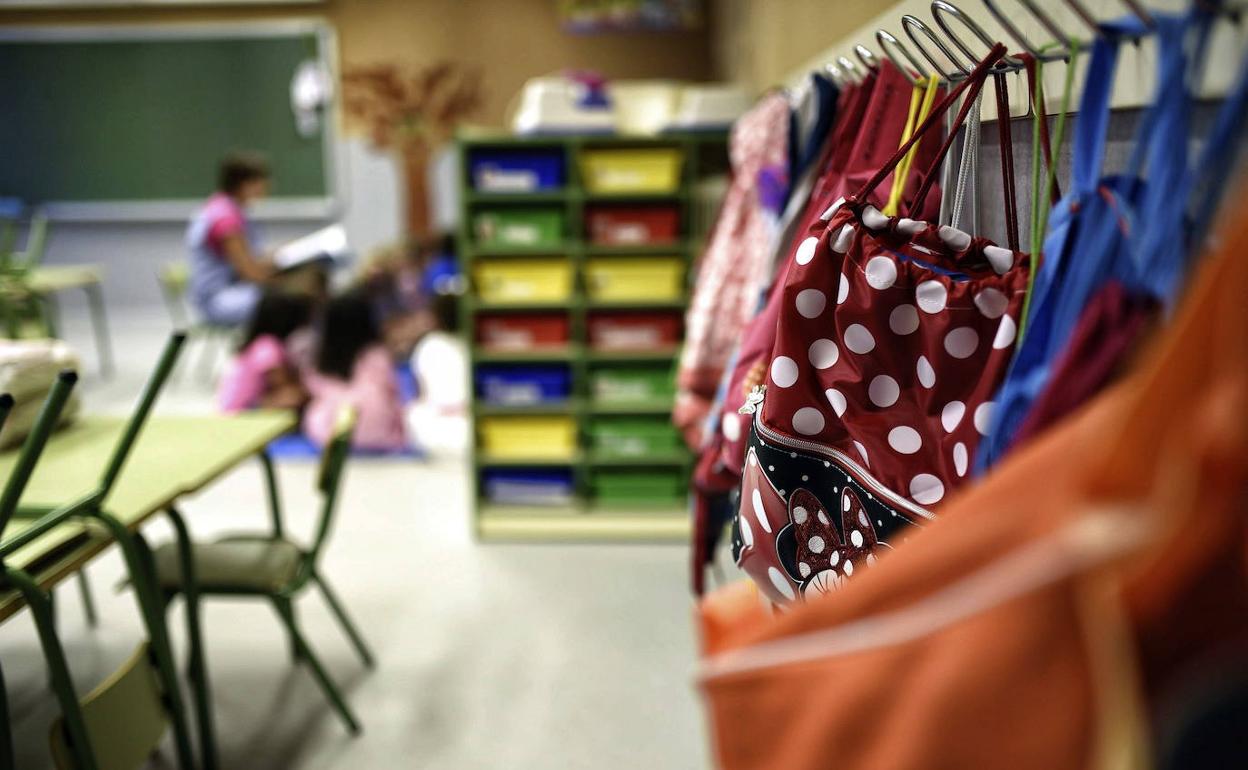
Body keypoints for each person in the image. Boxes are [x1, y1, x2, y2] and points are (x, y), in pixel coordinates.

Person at [304, 290, 408, 451]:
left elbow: (313, 388)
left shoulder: (320, 359)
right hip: (378, 430)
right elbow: (393, 391)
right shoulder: (377, 354)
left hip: (329, 430)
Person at [186, 152, 277, 326]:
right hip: (219, 301)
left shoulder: (225, 207)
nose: (266, 185)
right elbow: (248, 272)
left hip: (229, 292)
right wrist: (286, 281)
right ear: (243, 184)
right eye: (260, 180)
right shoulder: (225, 219)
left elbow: (250, 260)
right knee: (287, 303)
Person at [217, 289, 314, 413]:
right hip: (241, 410)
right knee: (294, 397)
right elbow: (282, 384)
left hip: (244, 404)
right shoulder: (267, 346)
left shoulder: (260, 343)